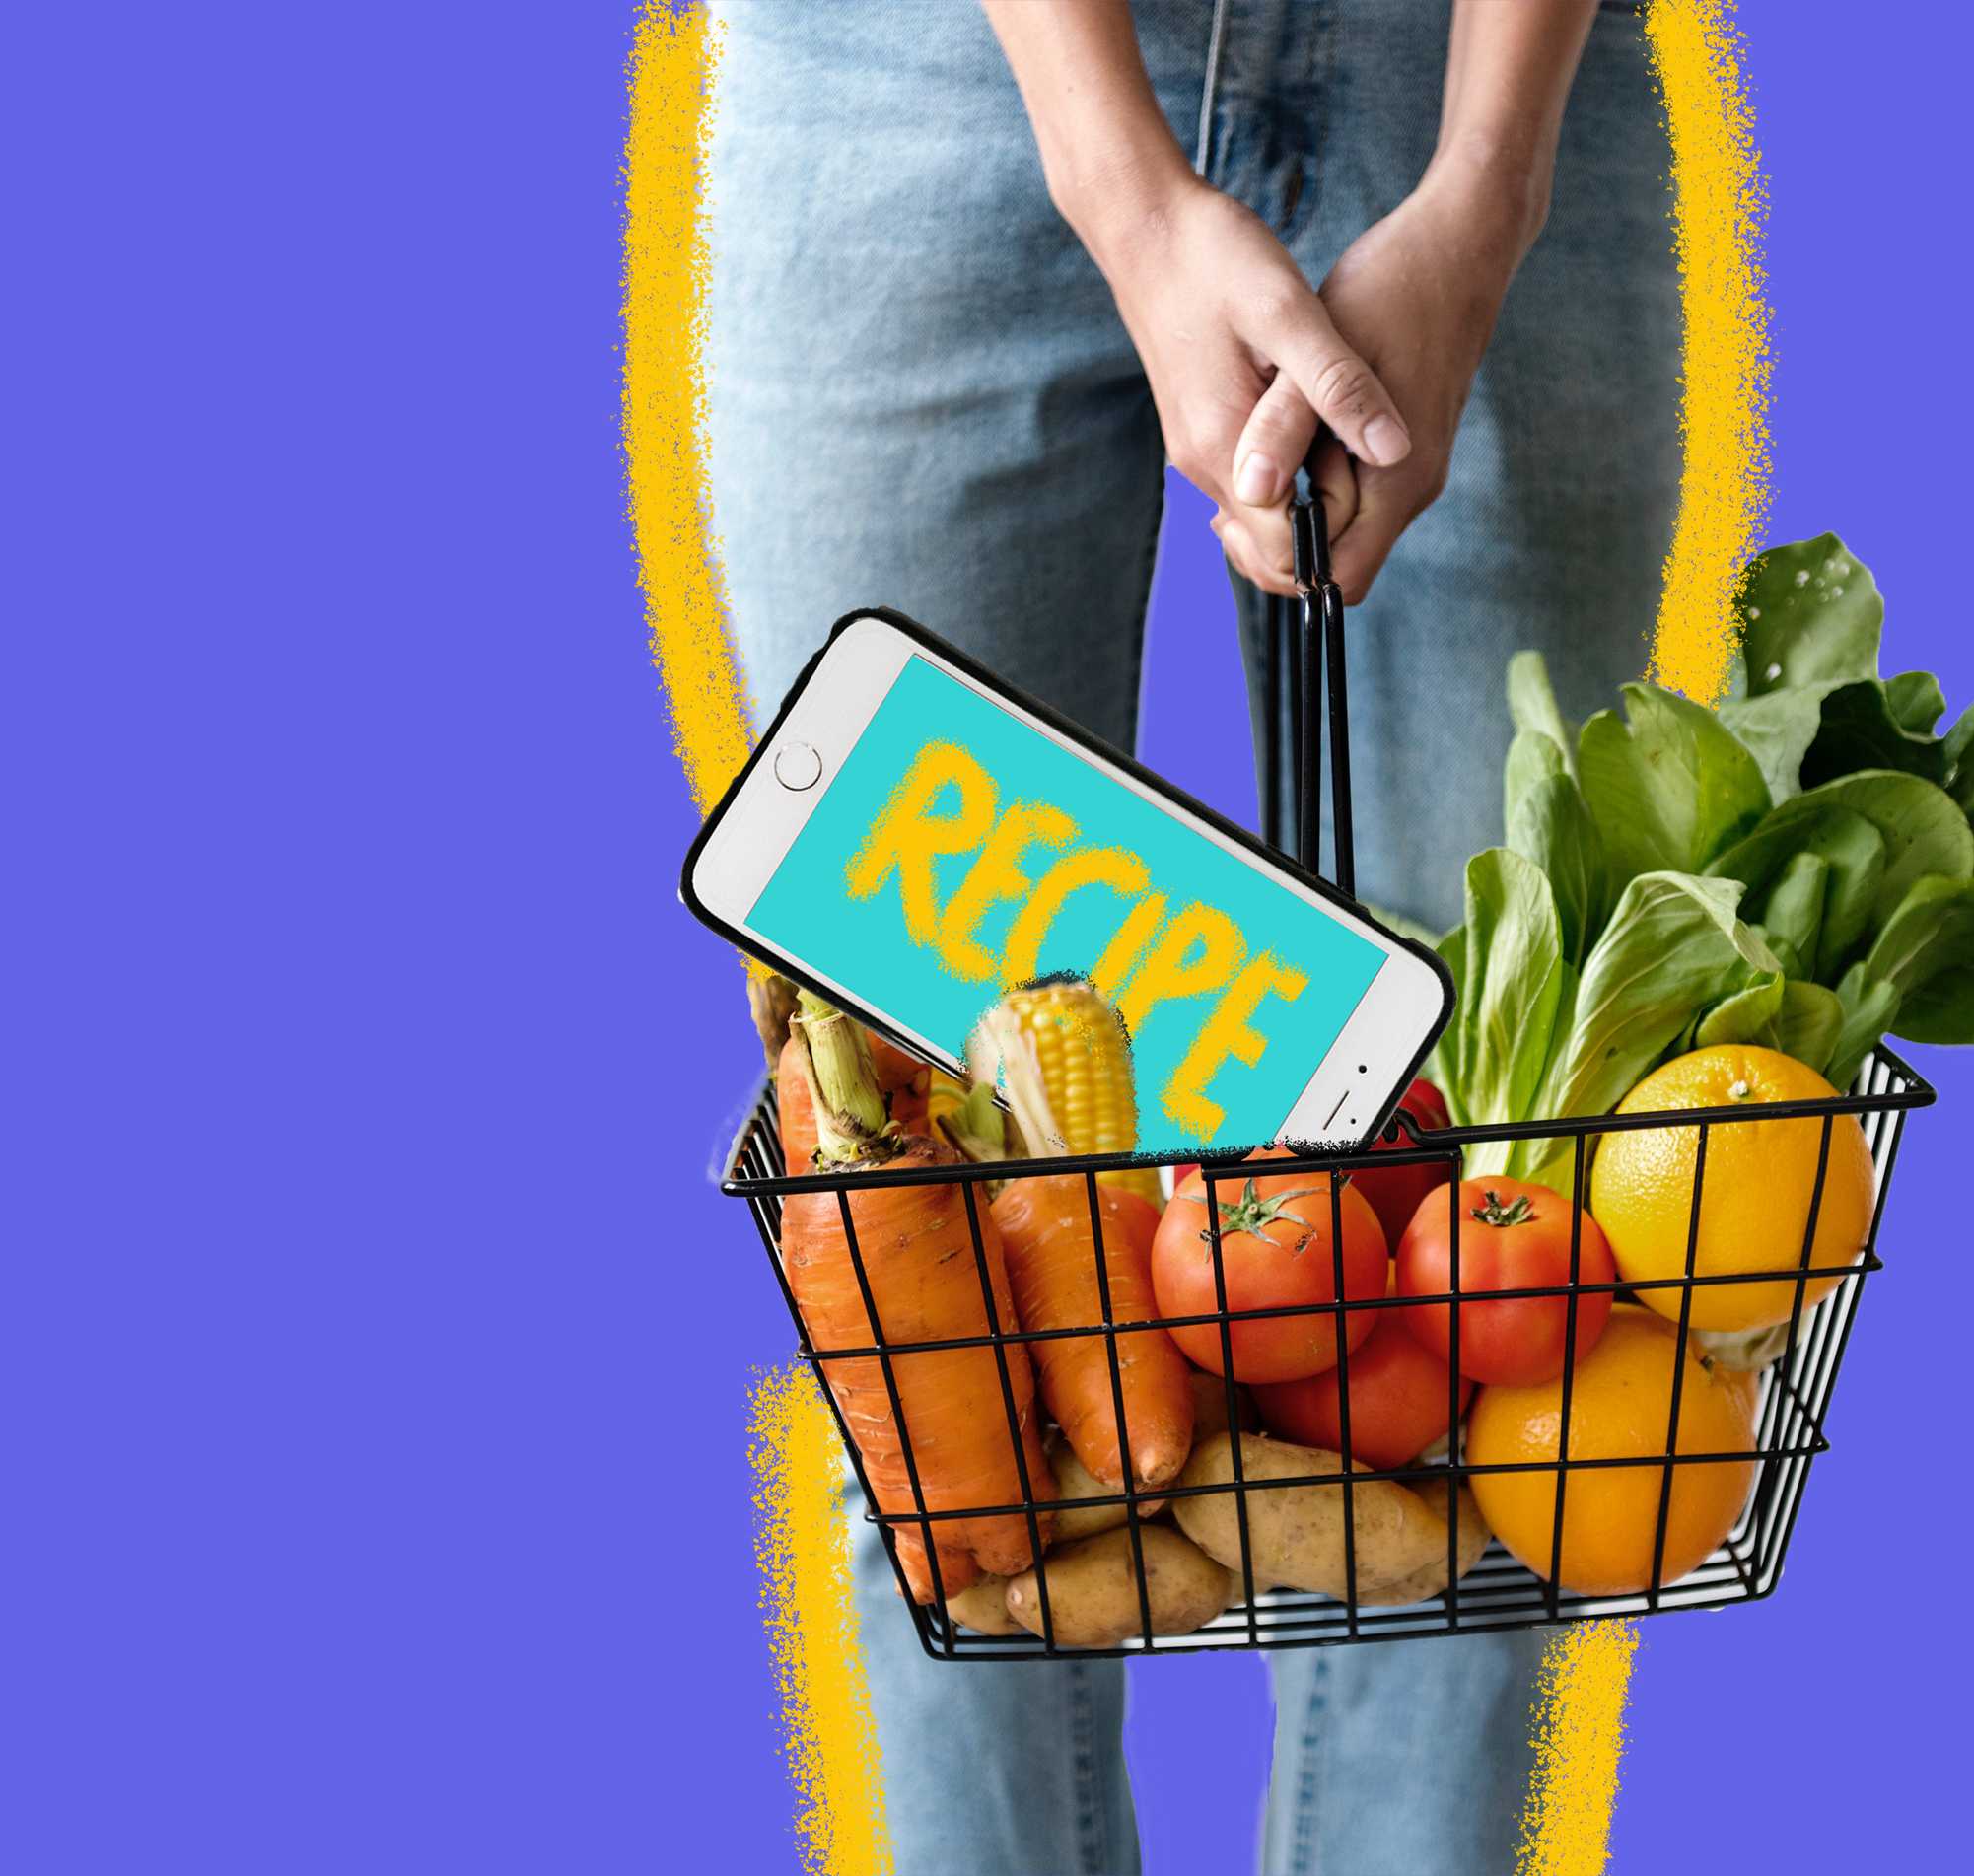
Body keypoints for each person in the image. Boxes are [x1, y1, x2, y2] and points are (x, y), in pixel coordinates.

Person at [709, 3, 1679, 1868]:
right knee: (926, 1255)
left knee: (1492, 1251)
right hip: (917, 72)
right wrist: (1111, 168)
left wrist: (1489, 181)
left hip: (1477, 64)